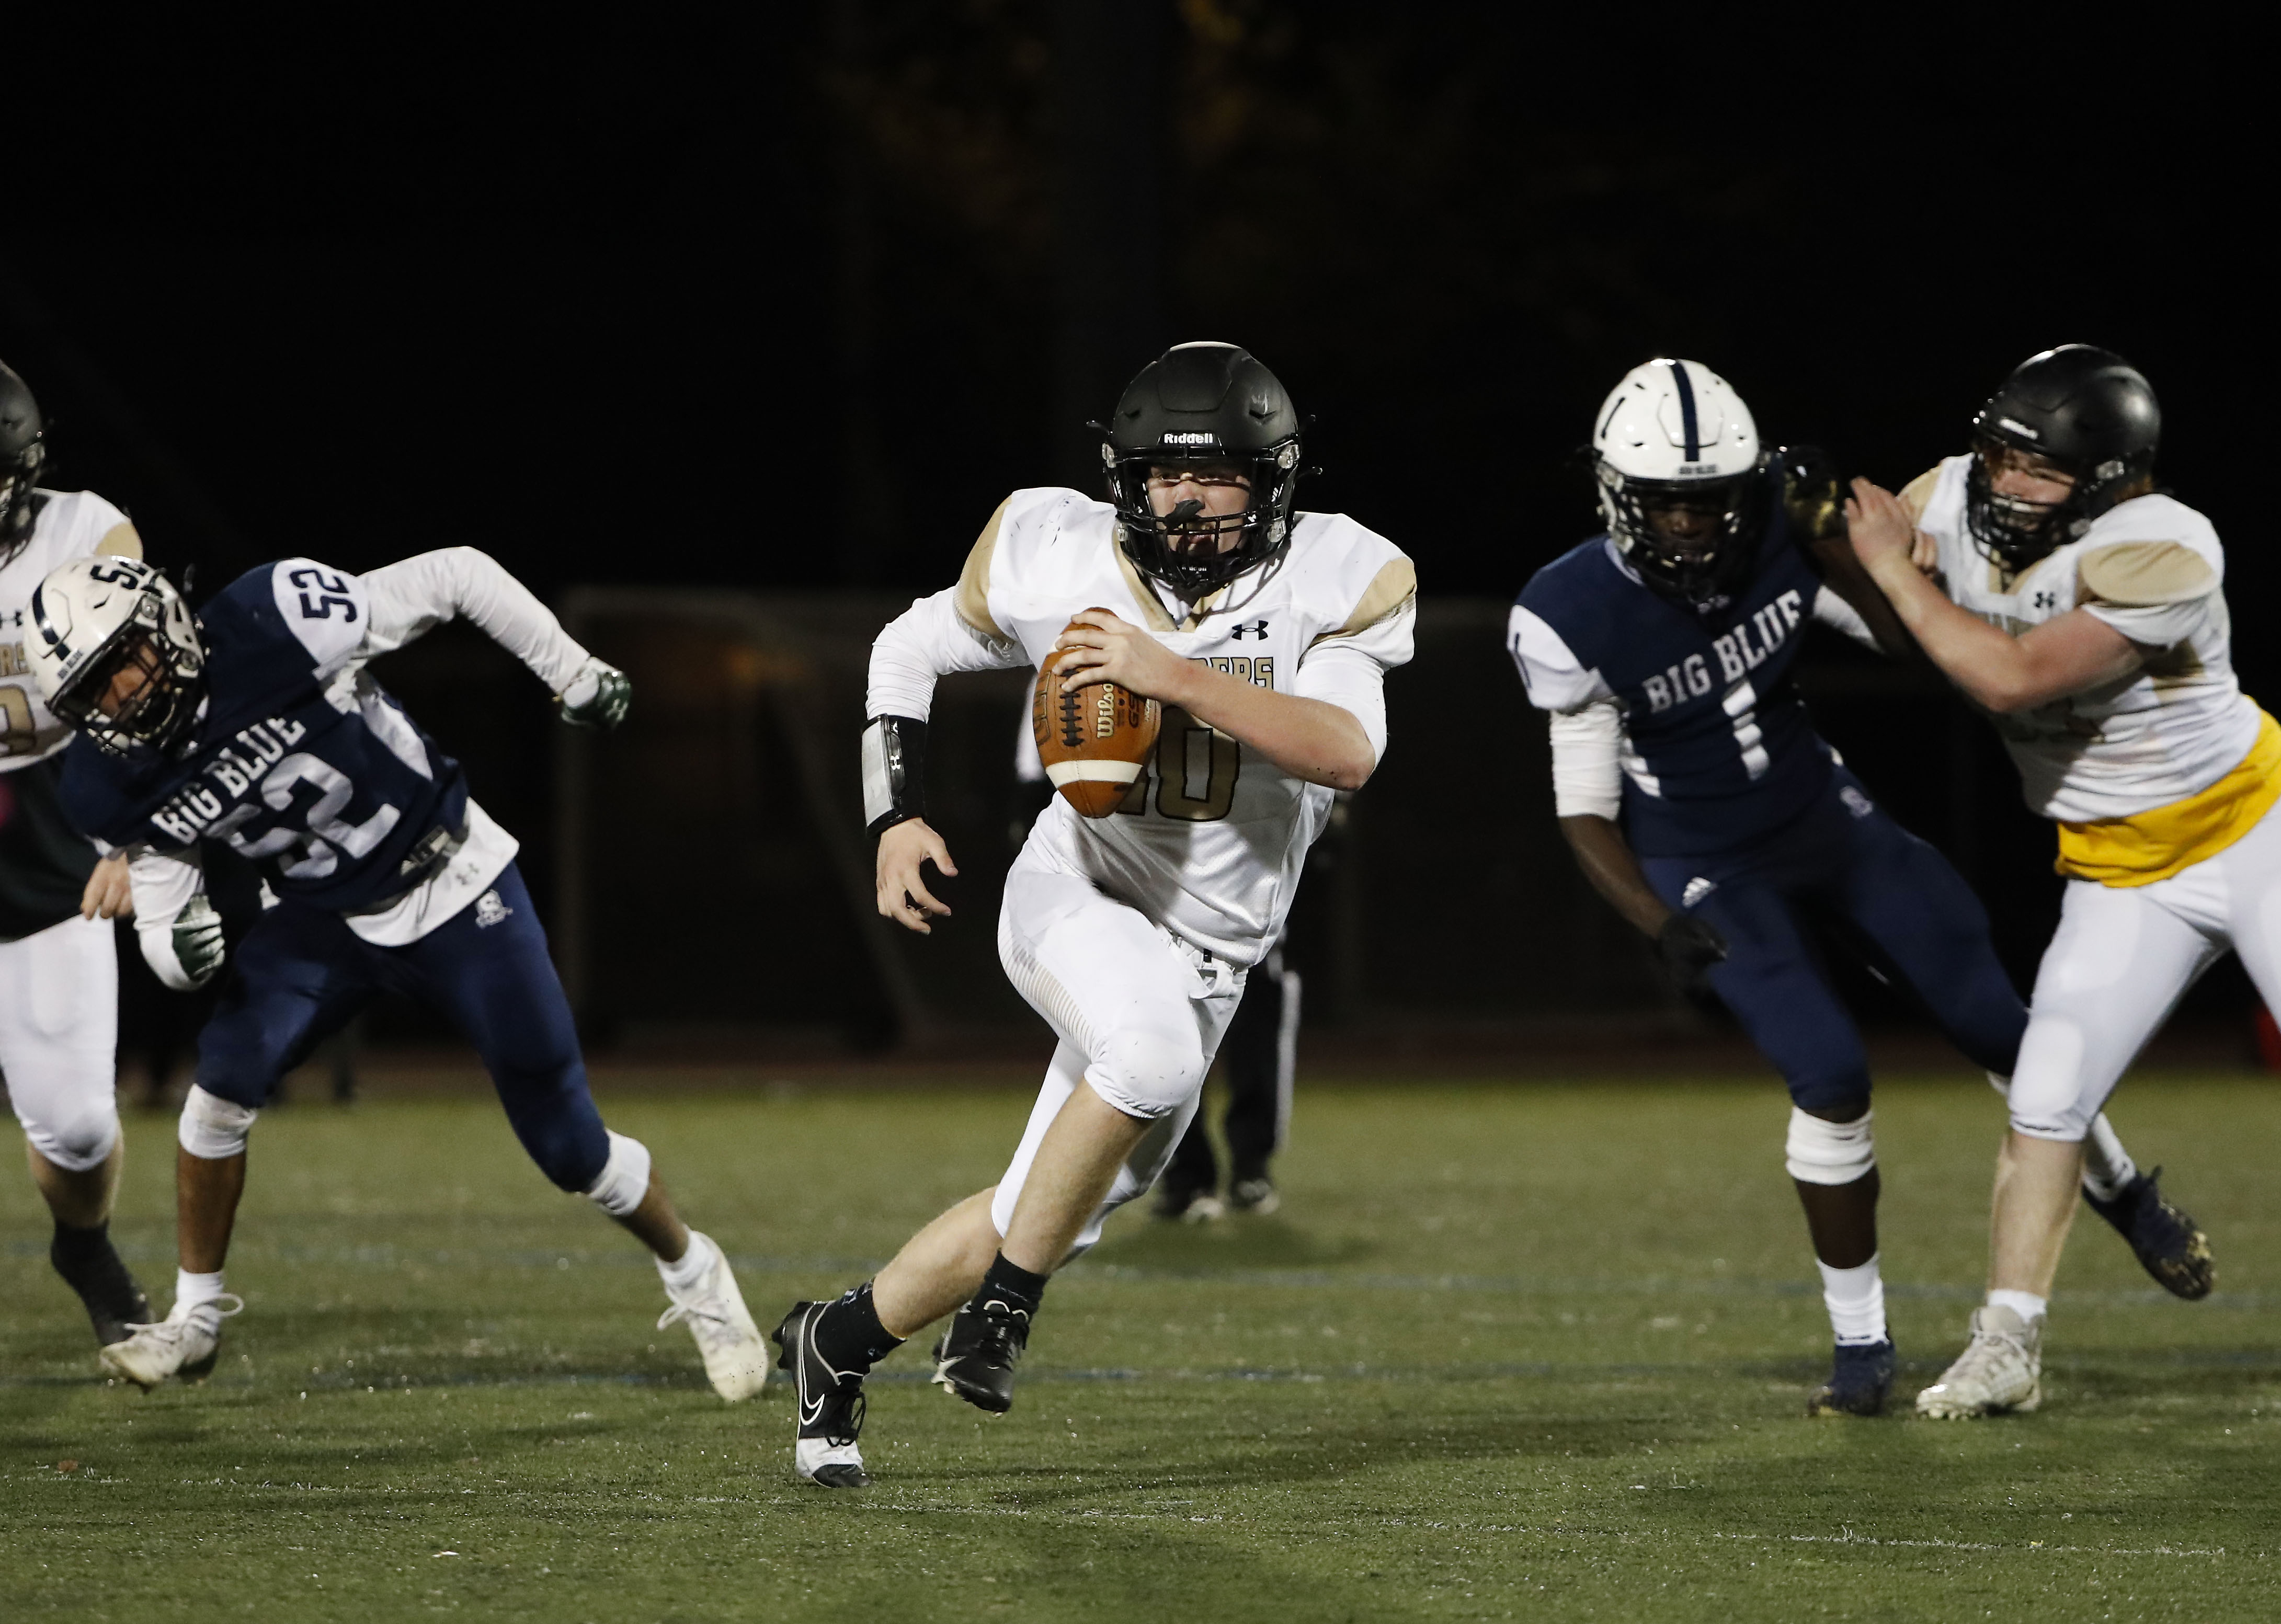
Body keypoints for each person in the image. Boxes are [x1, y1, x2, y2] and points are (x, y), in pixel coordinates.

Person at [1508, 358, 2208, 1418]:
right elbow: (1581, 804)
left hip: (1823, 819)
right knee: (1829, 1074)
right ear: (1618, 493)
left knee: (2003, 1025)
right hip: (1706, 856)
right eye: (1669, 502)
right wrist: (1657, 923)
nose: (1694, 526)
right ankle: (1860, 1344)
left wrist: (1833, 538)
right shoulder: (1567, 610)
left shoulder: (1781, 542)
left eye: (1712, 500)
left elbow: (1898, 636)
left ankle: (2127, 1195)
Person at [777, 340, 1412, 1488]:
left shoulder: (1337, 574)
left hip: (1218, 948)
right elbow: (906, 648)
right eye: (1163, 474)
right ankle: (1004, 1316)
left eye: (1216, 473)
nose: (1184, 499)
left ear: (1272, 481)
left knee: (1047, 1204)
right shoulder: (1054, 548)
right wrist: (895, 816)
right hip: (1078, 888)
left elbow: (1347, 749)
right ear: (1124, 476)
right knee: (1150, 1054)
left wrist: (1169, 675)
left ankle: (837, 1339)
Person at [26, 549, 766, 1401]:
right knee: (215, 1094)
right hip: (319, 918)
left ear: (164, 622)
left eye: (123, 660)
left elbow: (456, 574)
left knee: (571, 1150)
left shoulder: (275, 619)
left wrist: (571, 669)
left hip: (452, 880)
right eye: (93, 692)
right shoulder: (106, 780)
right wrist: (172, 944)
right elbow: (167, 901)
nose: (121, 696)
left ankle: (694, 1271)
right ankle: (195, 1321)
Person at [1844, 344, 2281, 1419]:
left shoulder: (2162, 543)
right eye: (1998, 459)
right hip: (2118, 864)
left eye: (2037, 471)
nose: (2003, 485)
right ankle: (2007, 1339)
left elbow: (2008, 678)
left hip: (2253, 834)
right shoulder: (1956, 490)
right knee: (2046, 1095)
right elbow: (1889, 592)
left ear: (2111, 477)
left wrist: (1882, 568)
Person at [1006, 673, 1303, 1221]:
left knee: (1255, 1008)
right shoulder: (1079, 653)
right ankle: (1187, 1176)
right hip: (1135, 885)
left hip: (1233, 879)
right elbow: (1039, 776)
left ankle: (1250, 1160)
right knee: (1148, 1038)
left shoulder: (1254, 648)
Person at [0, 359, 147, 1347]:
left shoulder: (84, 531)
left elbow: (147, 691)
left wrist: (141, 837)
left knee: (81, 1127)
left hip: (46, 834)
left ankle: (83, 1243)